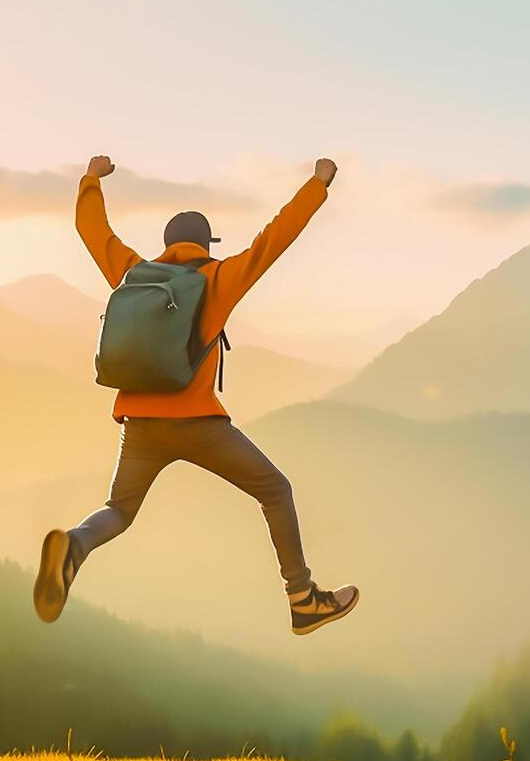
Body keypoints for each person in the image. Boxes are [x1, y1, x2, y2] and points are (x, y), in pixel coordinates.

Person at [33, 154, 359, 636]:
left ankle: (75, 547)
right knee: (275, 490)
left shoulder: (131, 272)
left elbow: (90, 228)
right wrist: (318, 184)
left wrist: (91, 177)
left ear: (167, 246)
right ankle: (302, 598)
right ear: (205, 245)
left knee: (119, 510)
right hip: (199, 425)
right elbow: (275, 238)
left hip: (140, 426)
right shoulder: (217, 279)